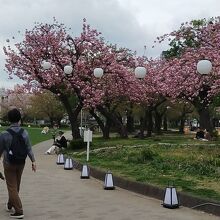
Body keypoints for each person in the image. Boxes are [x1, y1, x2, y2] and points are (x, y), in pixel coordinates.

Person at [0, 108, 36, 219]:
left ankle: (19, 211)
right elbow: (29, 148)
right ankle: (10, 204)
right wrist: (33, 161)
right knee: (16, 186)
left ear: (9, 119)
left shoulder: (4, 134)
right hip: (21, 162)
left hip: (9, 163)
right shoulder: (24, 132)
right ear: (19, 119)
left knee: (12, 187)